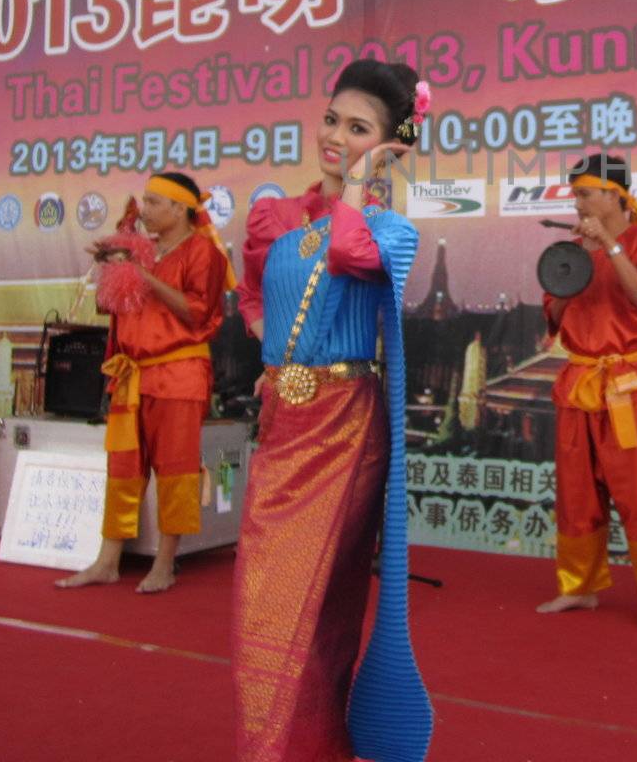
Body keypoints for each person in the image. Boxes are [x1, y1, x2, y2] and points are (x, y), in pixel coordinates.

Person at [232, 60, 432, 762]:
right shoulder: (274, 216)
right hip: (284, 420)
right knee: (265, 603)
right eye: (332, 119)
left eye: (359, 129)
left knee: (314, 603)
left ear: (387, 144)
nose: (336, 136)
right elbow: (253, 294)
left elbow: (346, 252)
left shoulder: (389, 229)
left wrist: (361, 176)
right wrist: (276, 352)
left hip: (346, 427)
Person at [58, 171, 229, 594]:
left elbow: (198, 314)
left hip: (179, 374)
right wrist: (111, 265)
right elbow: (107, 306)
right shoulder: (142, 250)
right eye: (145, 201)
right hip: (131, 373)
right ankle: (107, 560)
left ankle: (165, 563)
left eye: (154, 202)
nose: (145, 208)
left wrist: (140, 273)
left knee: (175, 469)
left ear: (180, 208)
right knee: (123, 469)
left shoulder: (204, 252)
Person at [535, 153, 637, 633]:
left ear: (616, 194)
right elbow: (554, 320)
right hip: (579, 383)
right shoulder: (574, 249)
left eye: (585, 193)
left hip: (626, 384)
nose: (577, 203)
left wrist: (610, 246)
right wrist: (565, 280)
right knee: (577, 494)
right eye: (574, 195)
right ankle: (579, 587)